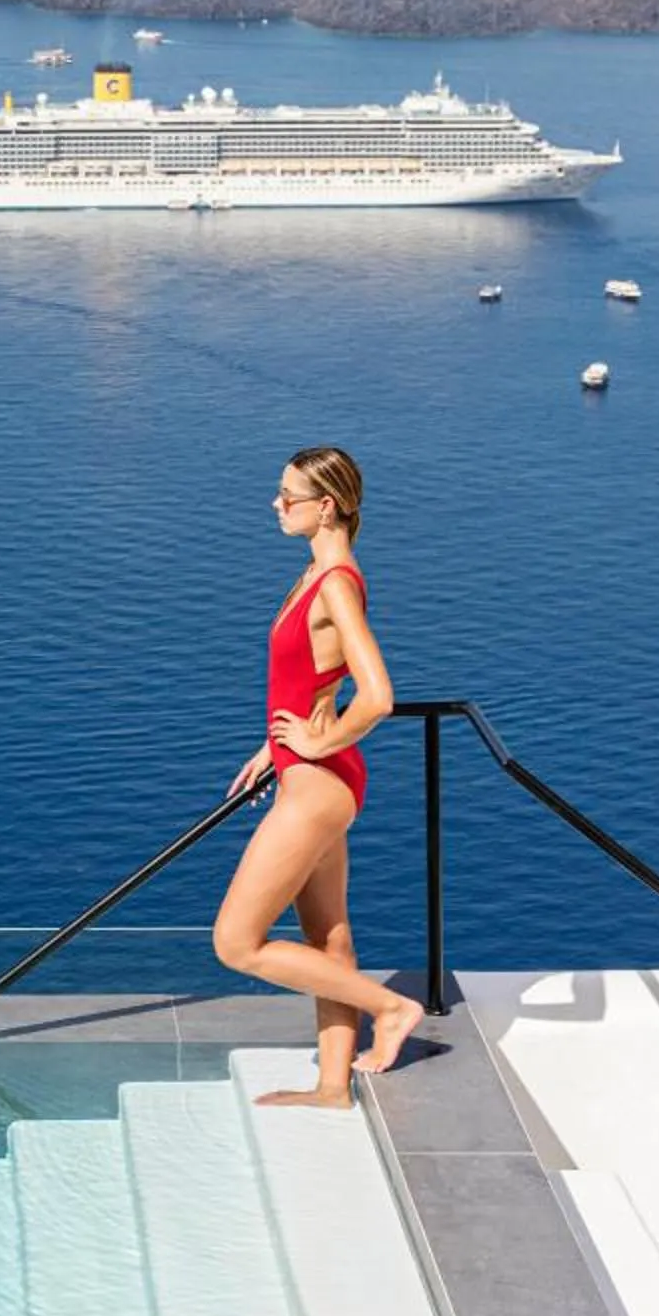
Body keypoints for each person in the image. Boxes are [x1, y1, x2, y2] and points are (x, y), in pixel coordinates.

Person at [218, 446, 424, 1105]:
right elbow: (310, 678)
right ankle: (333, 1086)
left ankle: (392, 1009)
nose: (276, 504)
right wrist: (274, 746)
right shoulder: (317, 571)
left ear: (326, 506)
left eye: (289, 496)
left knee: (236, 943)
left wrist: (314, 741)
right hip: (313, 777)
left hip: (317, 787)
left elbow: (378, 696)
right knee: (328, 939)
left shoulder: (335, 582)